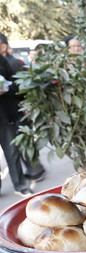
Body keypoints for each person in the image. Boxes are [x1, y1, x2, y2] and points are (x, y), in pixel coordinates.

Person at [0, 33, 46, 183]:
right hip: (12, 112)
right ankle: (34, 170)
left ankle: (35, 170)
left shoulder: (12, 62)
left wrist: (7, 88)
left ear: (4, 46)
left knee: (21, 144)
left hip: (15, 111)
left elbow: (20, 87)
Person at [0, 52, 33, 197]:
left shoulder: (2, 61)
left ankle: (20, 185)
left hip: (6, 116)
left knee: (12, 151)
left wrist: (6, 87)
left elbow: (15, 83)